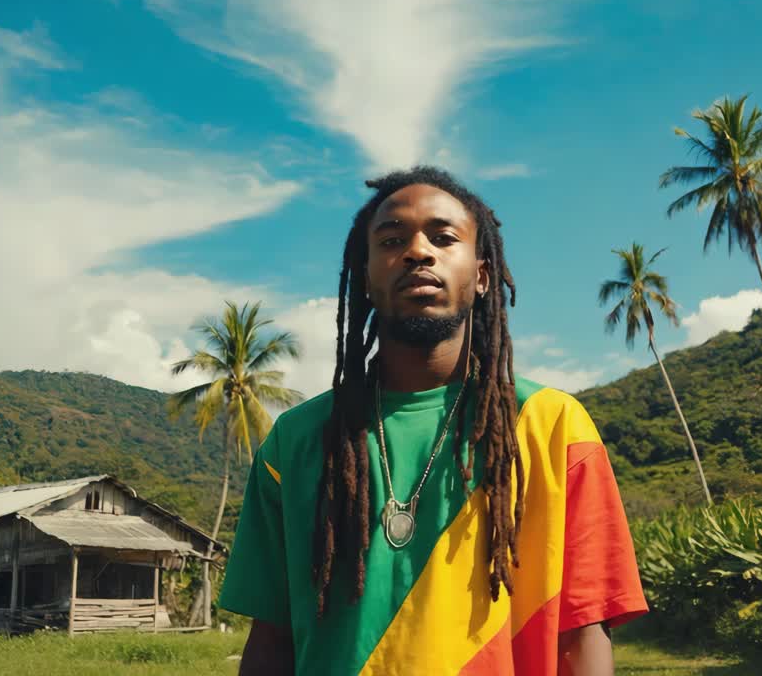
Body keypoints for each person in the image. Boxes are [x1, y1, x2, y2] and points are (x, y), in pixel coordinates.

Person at [218, 166, 648, 675]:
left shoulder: (553, 427)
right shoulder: (296, 440)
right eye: (393, 239)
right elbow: (271, 641)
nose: (418, 252)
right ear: (366, 273)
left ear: (483, 275)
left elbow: (582, 632)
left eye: (443, 238)